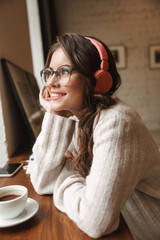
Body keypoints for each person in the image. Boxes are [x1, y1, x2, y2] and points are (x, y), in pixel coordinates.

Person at [27, 33, 160, 240]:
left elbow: (95, 221)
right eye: (49, 73)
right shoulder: (73, 118)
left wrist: (66, 174)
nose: (51, 82)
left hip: (143, 230)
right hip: (124, 224)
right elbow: (42, 181)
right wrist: (54, 113)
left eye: (63, 72)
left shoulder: (118, 122)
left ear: (97, 80)